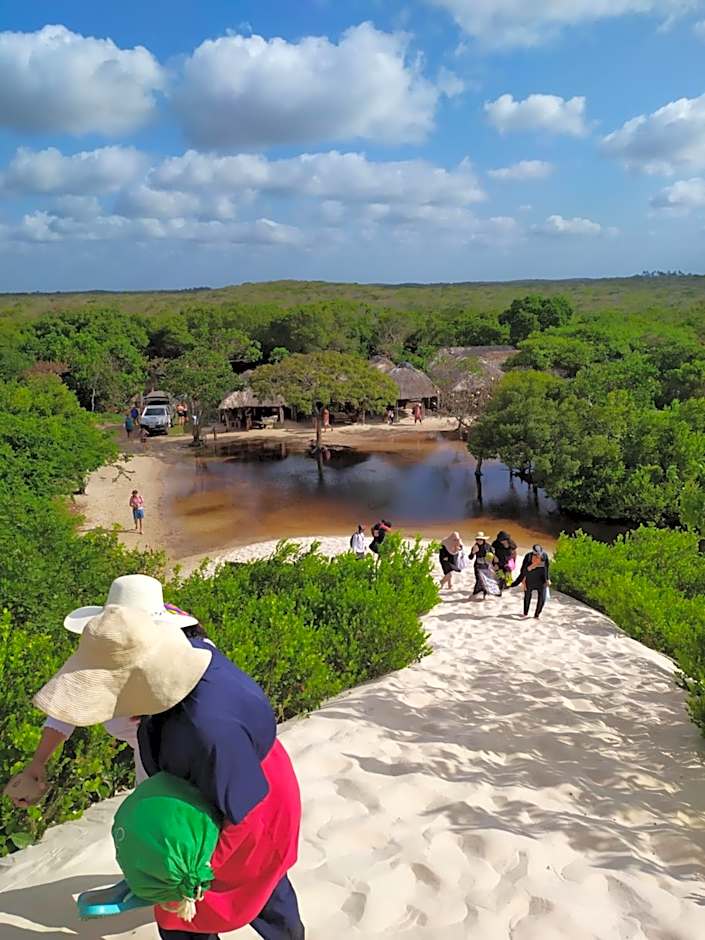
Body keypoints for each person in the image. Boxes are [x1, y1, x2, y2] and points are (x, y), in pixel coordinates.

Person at [32, 604, 304, 940]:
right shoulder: (189, 659)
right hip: (227, 782)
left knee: (225, 897)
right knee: (261, 890)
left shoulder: (209, 729)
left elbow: (244, 812)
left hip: (252, 803)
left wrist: (192, 876)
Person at [2, 576, 201, 808]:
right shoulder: (111, 652)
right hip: (154, 765)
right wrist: (38, 762)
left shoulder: (188, 658)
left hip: (187, 767)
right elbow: (69, 699)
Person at [512, 549, 550, 619]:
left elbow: (547, 569)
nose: (536, 558)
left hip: (541, 581)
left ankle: (537, 615)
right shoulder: (528, 557)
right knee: (527, 597)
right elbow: (523, 571)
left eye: (538, 557)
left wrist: (547, 579)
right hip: (530, 580)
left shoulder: (544, 557)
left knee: (542, 599)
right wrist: (523, 581)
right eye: (534, 556)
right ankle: (525, 613)